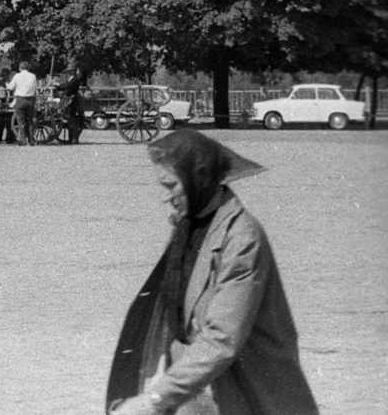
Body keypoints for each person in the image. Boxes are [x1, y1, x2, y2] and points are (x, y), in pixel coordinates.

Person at [108, 130, 317, 415]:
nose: (168, 198)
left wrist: (154, 399)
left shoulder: (242, 238)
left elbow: (222, 339)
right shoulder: (189, 223)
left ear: (201, 178)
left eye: (171, 186)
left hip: (246, 388)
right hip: (195, 385)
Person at [7, 60, 39, 145]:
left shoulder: (17, 76)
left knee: (21, 121)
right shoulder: (33, 76)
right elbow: (35, 87)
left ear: (20, 68)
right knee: (30, 121)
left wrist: (7, 84)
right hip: (31, 100)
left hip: (20, 99)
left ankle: (23, 140)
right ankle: (32, 140)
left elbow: (10, 87)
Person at [57, 66, 86, 144]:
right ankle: (72, 138)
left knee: (72, 119)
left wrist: (58, 85)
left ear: (72, 71)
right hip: (70, 99)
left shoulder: (74, 79)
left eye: (69, 71)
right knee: (71, 120)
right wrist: (58, 86)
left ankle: (74, 139)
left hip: (72, 100)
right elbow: (66, 85)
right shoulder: (71, 78)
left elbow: (67, 85)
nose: (68, 73)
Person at [0, 67, 15, 145]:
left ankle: (10, 139)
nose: (4, 77)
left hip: (11, 103)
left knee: (10, 122)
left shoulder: (12, 82)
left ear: (9, 75)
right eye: (3, 75)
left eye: (5, 75)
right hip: (1, 103)